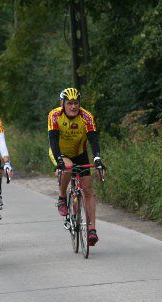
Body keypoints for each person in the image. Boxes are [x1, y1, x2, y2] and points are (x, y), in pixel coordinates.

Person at [48, 87, 104, 246]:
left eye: (76, 103)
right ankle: (62, 197)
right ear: (62, 103)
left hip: (80, 152)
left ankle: (92, 230)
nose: (74, 106)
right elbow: (53, 139)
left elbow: (93, 139)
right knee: (69, 166)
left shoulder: (86, 117)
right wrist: (59, 159)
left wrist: (97, 158)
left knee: (88, 190)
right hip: (60, 152)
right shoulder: (54, 115)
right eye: (70, 103)